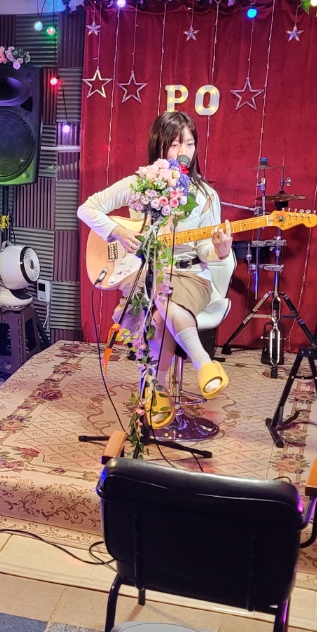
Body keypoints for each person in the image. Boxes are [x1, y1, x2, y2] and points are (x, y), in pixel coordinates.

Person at [78, 111, 235, 426]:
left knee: (162, 301)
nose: (184, 151)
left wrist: (220, 251)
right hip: (143, 272)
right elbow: (87, 209)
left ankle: (157, 388)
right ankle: (202, 363)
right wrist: (118, 231)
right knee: (159, 296)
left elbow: (204, 250)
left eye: (190, 143)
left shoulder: (205, 195)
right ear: (159, 147)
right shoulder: (141, 185)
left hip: (191, 276)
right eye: (176, 144)